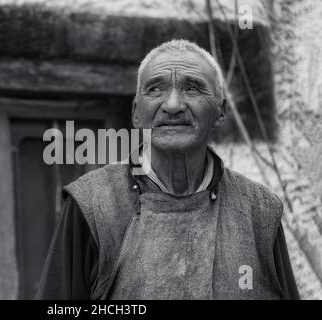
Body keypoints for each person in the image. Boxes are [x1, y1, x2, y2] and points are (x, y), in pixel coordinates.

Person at [36, 39, 299, 300]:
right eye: (155, 89)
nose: (173, 105)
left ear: (220, 111)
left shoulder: (260, 211)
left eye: (193, 89)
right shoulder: (93, 205)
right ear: (136, 113)